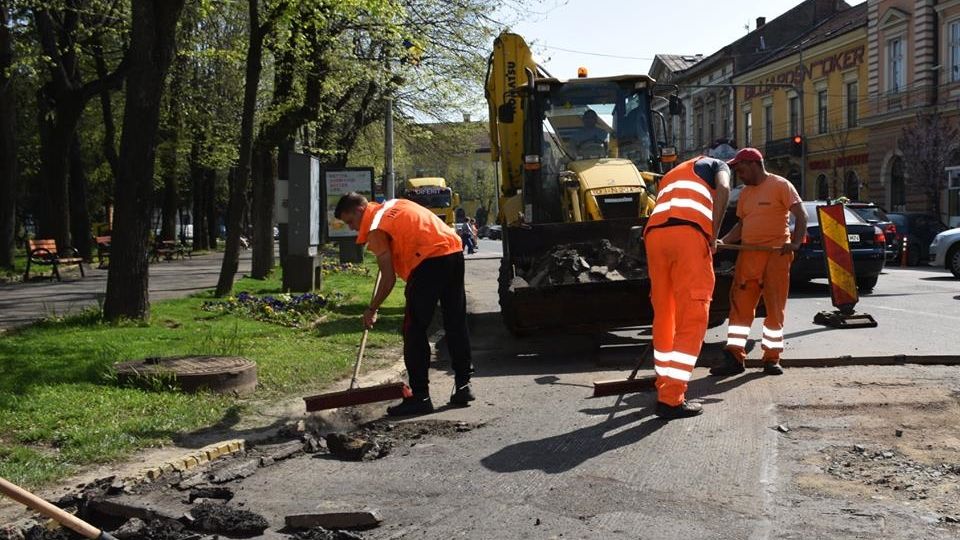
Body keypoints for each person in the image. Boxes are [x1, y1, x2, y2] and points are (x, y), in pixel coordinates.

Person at [334, 192, 475, 416]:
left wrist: (372, 308)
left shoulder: (376, 226)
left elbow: (388, 278)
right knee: (455, 321)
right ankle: (463, 385)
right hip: (453, 251)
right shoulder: (393, 205)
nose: (352, 228)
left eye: (350, 221)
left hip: (428, 261)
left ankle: (420, 396)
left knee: (414, 329)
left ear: (360, 210)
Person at [643, 153, 731, 419]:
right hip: (688, 236)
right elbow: (725, 189)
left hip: (655, 236)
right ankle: (671, 398)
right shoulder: (717, 164)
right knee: (693, 314)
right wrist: (713, 236)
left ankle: (663, 385)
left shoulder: (672, 175)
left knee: (665, 314)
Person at [712, 148, 807, 377]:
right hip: (749, 254)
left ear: (754, 164)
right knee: (740, 307)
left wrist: (795, 244)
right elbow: (742, 226)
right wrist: (722, 241)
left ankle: (772, 358)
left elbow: (801, 215)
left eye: (741, 169)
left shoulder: (780, 185)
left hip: (776, 254)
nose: (739, 174)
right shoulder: (745, 193)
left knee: (774, 308)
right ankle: (734, 356)